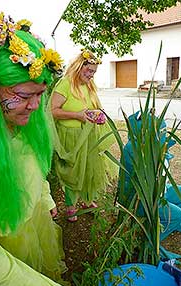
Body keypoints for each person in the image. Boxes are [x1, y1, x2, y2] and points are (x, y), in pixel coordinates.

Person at [0, 12, 79, 286]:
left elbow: (32, 162)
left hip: (28, 226)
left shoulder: (19, 122)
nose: (35, 106)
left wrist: (44, 198)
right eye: (23, 95)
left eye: (41, 94)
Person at [49, 49, 116, 222]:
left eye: (94, 72)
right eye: (89, 71)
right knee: (73, 171)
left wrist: (98, 115)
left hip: (88, 134)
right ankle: (71, 207)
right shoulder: (65, 84)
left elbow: (91, 107)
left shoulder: (88, 85)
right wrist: (77, 115)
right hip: (70, 135)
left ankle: (86, 201)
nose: (92, 75)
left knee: (88, 168)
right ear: (79, 66)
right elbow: (52, 111)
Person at [121, 110, 181, 258]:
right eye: (159, 132)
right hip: (140, 199)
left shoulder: (152, 145)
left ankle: (176, 224)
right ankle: (151, 244)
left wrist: (163, 150)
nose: (163, 135)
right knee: (176, 214)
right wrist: (159, 154)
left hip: (158, 189)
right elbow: (146, 176)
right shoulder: (133, 149)